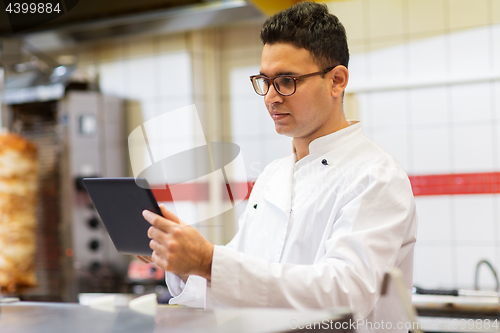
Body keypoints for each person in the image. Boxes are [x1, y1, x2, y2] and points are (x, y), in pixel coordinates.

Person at [140, 2, 417, 332]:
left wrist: (209, 260)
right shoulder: (273, 175)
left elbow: (346, 294)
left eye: (286, 80)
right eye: (265, 81)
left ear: (337, 80)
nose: (271, 97)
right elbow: (243, 286)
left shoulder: (376, 176)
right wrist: (182, 262)